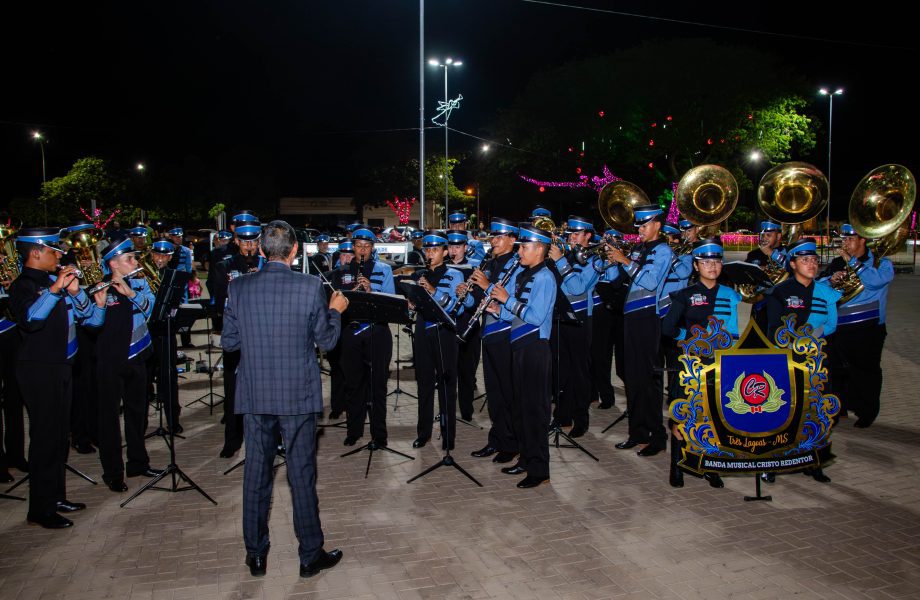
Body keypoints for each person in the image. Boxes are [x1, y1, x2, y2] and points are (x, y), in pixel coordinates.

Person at [222, 219, 347, 578]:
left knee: (256, 475)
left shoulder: (239, 288)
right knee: (301, 475)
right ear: (294, 252)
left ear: (261, 250)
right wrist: (335, 311)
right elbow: (326, 341)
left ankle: (256, 555)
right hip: (298, 395)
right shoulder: (309, 287)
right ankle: (310, 555)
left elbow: (229, 342)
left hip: (256, 394)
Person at [9, 227, 105, 528]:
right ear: (35, 252)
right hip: (39, 369)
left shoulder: (56, 282)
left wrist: (83, 296)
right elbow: (30, 320)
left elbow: (90, 320)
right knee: (44, 438)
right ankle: (40, 509)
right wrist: (54, 291)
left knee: (59, 437)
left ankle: (55, 496)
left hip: (62, 367)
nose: (60, 255)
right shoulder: (22, 285)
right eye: (53, 250)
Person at [661, 238, 740, 489]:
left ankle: (710, 466)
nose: (712, 266)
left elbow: (734, 331)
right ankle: (678, 465)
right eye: (706, 262)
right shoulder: (685, 295)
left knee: (713, 416)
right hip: (690, 364)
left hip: (717, 364)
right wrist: (691, 340)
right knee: (683, 414)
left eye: (716, 261)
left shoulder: (730, 295)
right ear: (696, 266)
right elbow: (667, 328)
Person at [765, 237, 840, 483]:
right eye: (805, 260)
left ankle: (813, 460)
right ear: (793, 264)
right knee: (782, 412)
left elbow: (831, 324)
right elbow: (773, 329)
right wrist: (796, 340)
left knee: (816, 412)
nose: (811, 264)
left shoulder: (825, 293)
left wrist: (811, 337)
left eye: (814, 260)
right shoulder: (780, 292)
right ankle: (773, 461)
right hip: (787, 360)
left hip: (816, 359)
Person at [92, 236, 163, 493]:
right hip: (111, 361)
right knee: (109, 418)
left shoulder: (140, 284)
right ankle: (112, 472)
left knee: (138, 414)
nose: (135, 262)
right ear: (113, 264)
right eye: (129, 259)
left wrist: (131, 293)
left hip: (140, 357)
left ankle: (138, 462)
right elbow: (90, 323)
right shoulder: (98, 288)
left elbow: (154, 312)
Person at [488, 223, 557, 488]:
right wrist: (497, 308)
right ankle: (526, 459)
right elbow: (512, 313)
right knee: (521, 408)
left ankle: (540, 470)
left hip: (535, 349)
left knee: (536, 412)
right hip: (518, 347)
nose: (520, 253)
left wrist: (507, 300)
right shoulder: (524, 275)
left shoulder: (545, 277)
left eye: (524, 248)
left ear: (539, 249)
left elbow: (536, 317)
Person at [605, 205, 674, 457]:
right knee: (632, 378)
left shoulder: (663, 250)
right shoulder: (638, 249)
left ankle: (657, 436)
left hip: (647, 318)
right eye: (638, 227)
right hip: (630, 317)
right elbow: (619, 282)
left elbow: (650, 281)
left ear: (657, 224)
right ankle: (637, 432)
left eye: (644, 226)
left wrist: (624, 261)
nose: (640, 231)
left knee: (649, 380)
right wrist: (612, 262)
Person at [819, 224, 893, 428]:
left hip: (868, 328)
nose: (845, 243)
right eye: (844, 239)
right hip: (838, 326)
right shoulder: (836, 263)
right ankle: (835, 409)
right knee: (835, 370)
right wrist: (831, 279)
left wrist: (852, 262)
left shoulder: (880, 263)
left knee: (865, 372)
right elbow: (820, 285)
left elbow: (876, 282)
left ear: (863, 239)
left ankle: (866, 412)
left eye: (850, 239)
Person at [411, 230, 470, 450]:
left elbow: (456, 306)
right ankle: (423, 432)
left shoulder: (454, 275)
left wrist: (432, 290)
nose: (430, 253)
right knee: (424, 384)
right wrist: (411, 302)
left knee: (447, 386)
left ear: (445, 252)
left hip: (444, 333)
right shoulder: (419, 275)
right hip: (422, 331)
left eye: (435, 249)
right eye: (427, 249)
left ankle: (448, 436)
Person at [468, 218, 520, 463]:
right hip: (488, 332)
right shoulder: (489, 260)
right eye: (492, 236)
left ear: (512, 238)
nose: (494, 241)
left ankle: (512, 443)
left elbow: (508, 296)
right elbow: (482, 294)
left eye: (499, 237)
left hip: (506, 332)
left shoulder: (517, 264)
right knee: (494, 391)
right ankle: (497, 439)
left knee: (508, 391)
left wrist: (486, 285)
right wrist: (469, 290)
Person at [338, 227, 395, 447]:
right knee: (353, 385)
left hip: (377, 332)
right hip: (351, 332)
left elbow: (391, 301)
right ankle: (354, 430)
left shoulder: (384, 270)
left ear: (373, 248)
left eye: (367, 246)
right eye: (359, 246)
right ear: (353, 247)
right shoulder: (343, 271)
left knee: (378, 385)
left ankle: (379, 434)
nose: (363, 250)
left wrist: (371, 291)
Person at [213, 222, 265, 458]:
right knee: (233, 388)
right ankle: (232, 440)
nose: (249, 247)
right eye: (245, 242)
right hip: (236, 334)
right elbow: (219, 300)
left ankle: (266, 439)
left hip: (262, 334)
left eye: (253, 242)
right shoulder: (225, 266)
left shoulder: (266, 265)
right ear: (236, 241)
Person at [547, 216, 602, 437]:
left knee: (580, 371)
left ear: (588, 235)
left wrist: (560, 261)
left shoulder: (596, 259)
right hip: (559, 316)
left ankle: (581, 419)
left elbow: (579, 287)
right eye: (570, 233)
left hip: (580, 318)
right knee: (561, 370)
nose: (572, 237)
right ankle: (562, 415)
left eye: (577, 234)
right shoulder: (567, 254)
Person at [447, 230, 483, 421]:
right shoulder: (441, 269)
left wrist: (468, 294)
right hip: (448, 326)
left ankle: (466, 409)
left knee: (467, 371)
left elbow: (479, 300)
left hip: (469, 324)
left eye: (458, 247)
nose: (454, 250)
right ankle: (448, 409)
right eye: (451, 246)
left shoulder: (474, 270)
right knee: (448, 371)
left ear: (465, 248)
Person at [149, 239, 183, 433]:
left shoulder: (174, 277)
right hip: (146, 333)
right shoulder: (140, 275)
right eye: (157, 255)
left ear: (170, 257)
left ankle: (173, 419)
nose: (160, 259)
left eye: (164, 256)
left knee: (169, 375)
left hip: (166, 331)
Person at [746, 219, 787, 332]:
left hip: (782, 306)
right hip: (759, 305)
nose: (764, 238)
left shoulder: (788, 252)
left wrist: (770, 253)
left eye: (769, 235)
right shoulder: (753, 255)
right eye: (762, 235)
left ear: (778, 236)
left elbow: (793, 268)